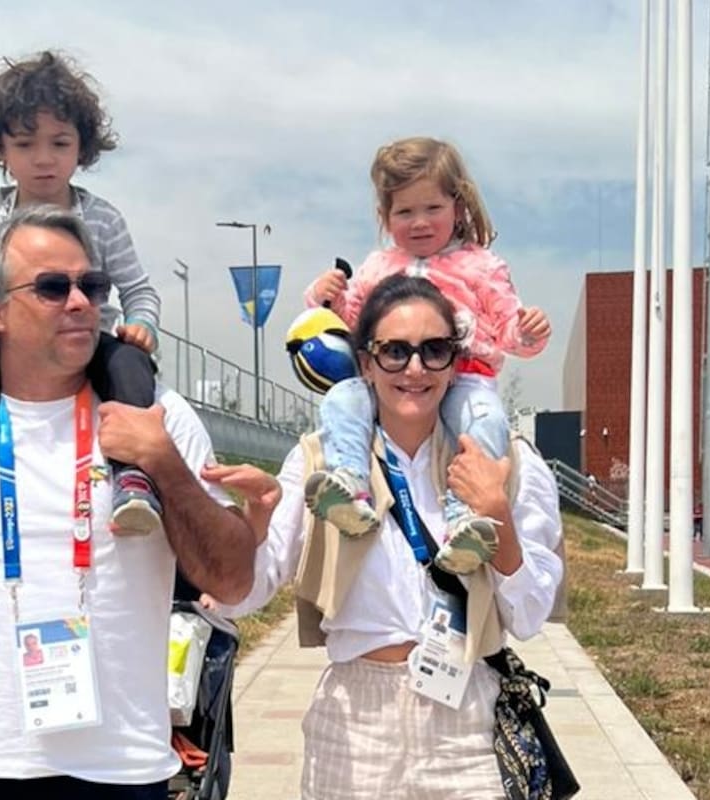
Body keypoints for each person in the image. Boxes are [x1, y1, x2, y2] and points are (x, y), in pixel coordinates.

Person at [0, 205, 258, 800]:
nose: (82, 303)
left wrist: (164, 465)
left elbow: (232, 580)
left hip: (122, 771)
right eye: (54, 288)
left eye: (93, 286)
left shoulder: (157, 415)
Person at [212, 275, 564, 800]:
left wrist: (499, 520)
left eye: (434, 350)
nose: (415, 368)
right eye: (395, 351)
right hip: (355, 721)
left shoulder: (510, 462)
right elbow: (243, 597)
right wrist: (255, 523)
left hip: (466, 719)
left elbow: (531, 615)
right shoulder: (318, 460)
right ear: (366, 362)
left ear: (455, 360)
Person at [0, 50, 164, 569]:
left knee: (130, 366)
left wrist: (141, 325)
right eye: (25, 144)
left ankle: (134, 478)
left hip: (90, 346)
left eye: (60, 144)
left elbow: (140, 290)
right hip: (8, 350)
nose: (44, 158)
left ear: (81, 148)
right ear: (1, 150)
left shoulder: (103, 220)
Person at [304, 137, 551, 576]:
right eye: (404, 212)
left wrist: (527, 333)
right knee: (342, 398)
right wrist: (326, 298)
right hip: (390, 381)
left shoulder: (481, 267)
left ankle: (464, 516)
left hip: (466, 377)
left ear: (458, 206)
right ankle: (350, 486)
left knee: (486, 420)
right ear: (385, 217)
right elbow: (354, 319)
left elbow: (508, 330)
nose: (419, 222)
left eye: (432, 208)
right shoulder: (378, 268)